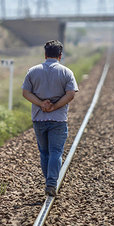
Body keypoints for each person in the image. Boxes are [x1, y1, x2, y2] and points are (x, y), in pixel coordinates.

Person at [22, 40, 78, 197]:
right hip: (58, 119)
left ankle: (49, 181)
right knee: (56, 152)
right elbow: (71, 94)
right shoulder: (67, 72)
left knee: (44, 152)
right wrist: (55, 106)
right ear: (60, 56)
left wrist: (41, 104)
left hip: (39, 119)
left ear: (45, 54)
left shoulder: (33, 71)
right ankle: (51, 183)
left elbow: (25, 93)